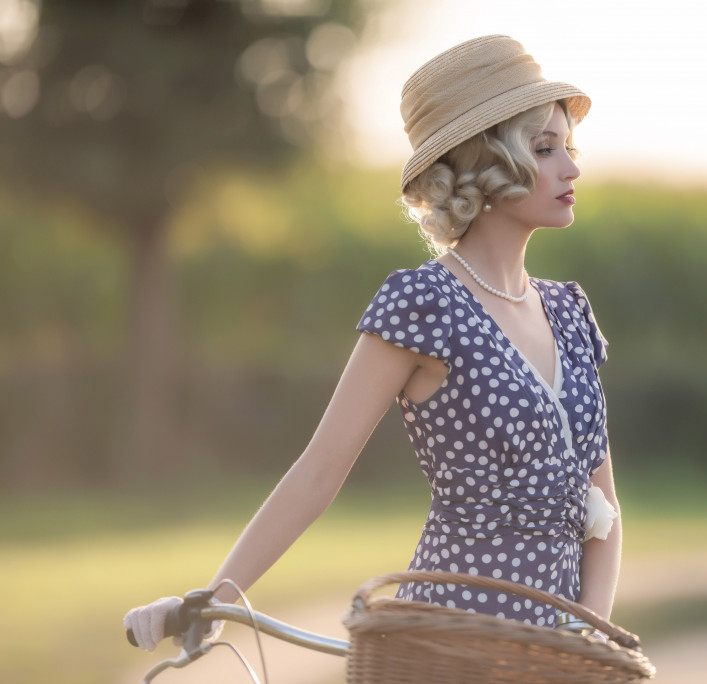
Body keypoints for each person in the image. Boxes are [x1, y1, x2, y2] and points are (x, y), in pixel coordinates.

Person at [124, 34, 621, 651]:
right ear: (486, 162)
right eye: (544, 149)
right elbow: (317, 473)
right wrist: (212, 601)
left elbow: (602, 508)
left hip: (555, 661)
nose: (571, 167)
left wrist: (590, 640)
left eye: (567, 146)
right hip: (446, 649)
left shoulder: (569, 313)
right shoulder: (423, 304)